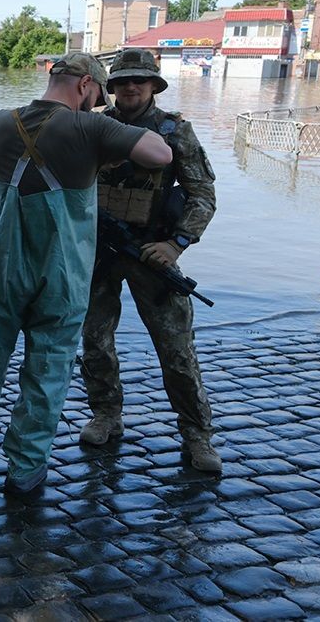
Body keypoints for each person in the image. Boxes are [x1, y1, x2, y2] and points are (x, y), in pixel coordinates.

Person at [0, 53, 173, 494]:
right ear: (86, 85)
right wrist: (110, 132)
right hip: (61, 272)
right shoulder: (90, 127)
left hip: (3, 269)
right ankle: (25, 470)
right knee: (48, 368)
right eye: (98, 94)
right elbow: (160, 154)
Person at [80, 49, 221, 473]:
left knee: (176, 350)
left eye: (139, 80)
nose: (130, 87)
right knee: (95, 342)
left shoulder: (174, 131)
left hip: (151, 251)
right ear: (112, 86)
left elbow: (202, 195)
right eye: (122, 81)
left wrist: (176, 245)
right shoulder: (91, 125)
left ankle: (197, 435)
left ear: (154, 86)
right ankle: (106, 414)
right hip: (97, 252)